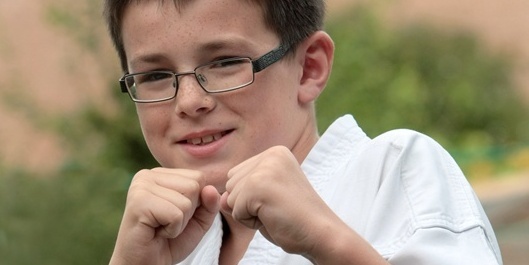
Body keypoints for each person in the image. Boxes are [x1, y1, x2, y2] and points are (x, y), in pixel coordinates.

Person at [103, 0, 502, 264]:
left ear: (309, 68)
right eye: (155, 75)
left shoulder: (394, 170)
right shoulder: (169, 248)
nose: (189, 101)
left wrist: (326, 240)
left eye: (225, 63)